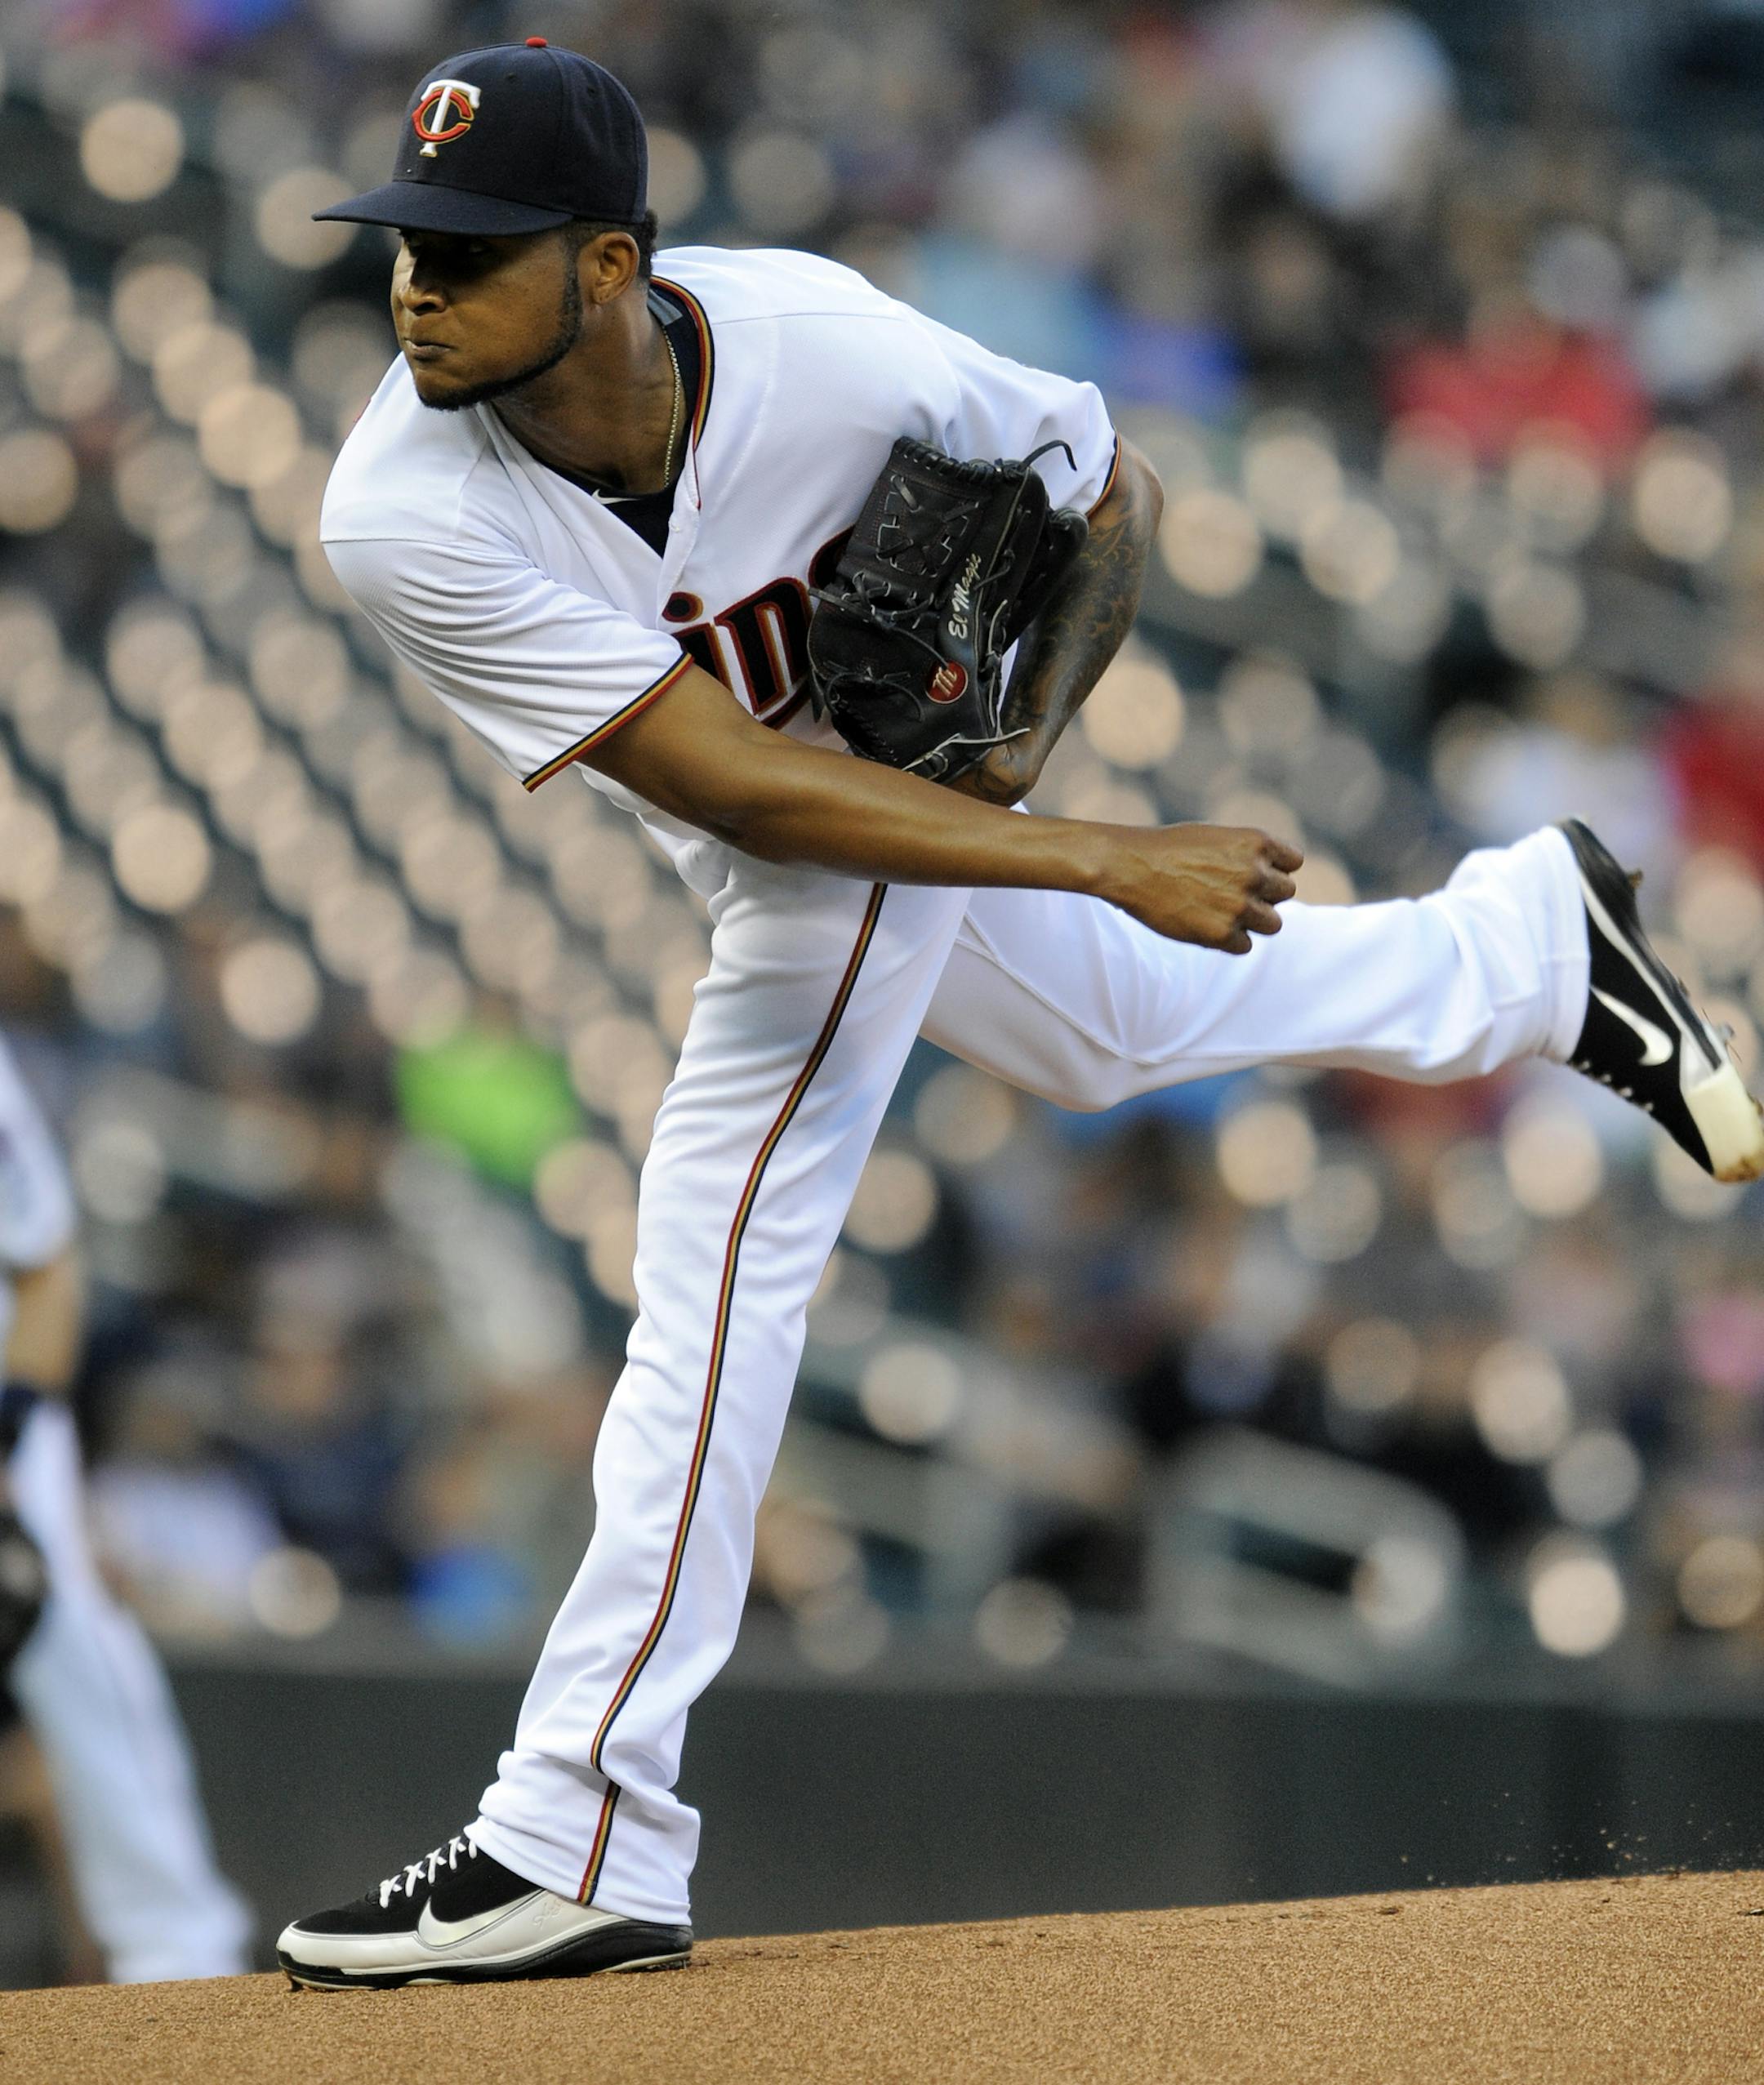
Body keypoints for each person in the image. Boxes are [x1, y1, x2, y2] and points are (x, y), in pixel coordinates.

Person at [275, 42, 1762, 1989]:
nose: (416, 285)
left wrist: (1009, 749)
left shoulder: (826, 348)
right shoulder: (395, 501)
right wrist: (1090, 853)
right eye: (406, 241)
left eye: (471, 250)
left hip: (881, 812)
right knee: (1102, 1034)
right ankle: (1525, 948)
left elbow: (1104, 491)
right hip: (776, 815)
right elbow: (734, 783)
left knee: (721, 1234)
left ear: (615, 261)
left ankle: (578, 1821)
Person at [0, 1034, 252, 1983]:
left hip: (5, 1414)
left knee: (75, 1647)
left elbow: (48, 1267)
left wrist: (10, 1437)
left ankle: (177, 1945)